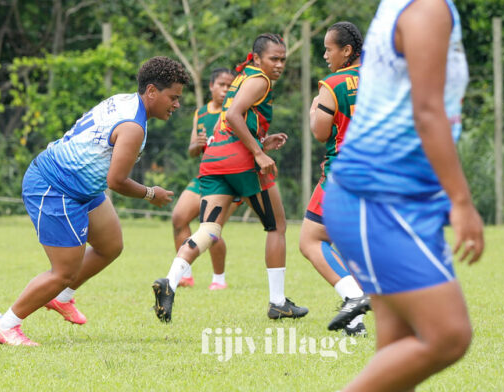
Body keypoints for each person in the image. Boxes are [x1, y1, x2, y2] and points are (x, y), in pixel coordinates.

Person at [322, 0, 483, 390]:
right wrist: (461, 202)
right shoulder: (427, 8)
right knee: (448, 335)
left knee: (398, 355)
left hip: (397, 198)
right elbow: (427, 112)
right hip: (378, 197)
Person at [0, 56, 188, 346]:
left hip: (81, 187)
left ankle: (62, 297)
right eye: (173, 97)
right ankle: (6, 326)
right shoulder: (134, 127)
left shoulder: (126, 101)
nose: (177, 104)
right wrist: (149, 193)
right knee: (64, 271)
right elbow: (116, 181)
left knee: (110, 246)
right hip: (55, 187)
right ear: (152, 92)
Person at [152, 33, 308, 323]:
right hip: (241, 162)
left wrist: (262, 142)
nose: (279, 64)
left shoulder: (242, 77)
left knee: (210, 230)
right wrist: (258, 154)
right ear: (258, 58)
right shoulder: (260, 79)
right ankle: (277, 302)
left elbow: (233, 120)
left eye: (283, 59)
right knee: (276, 227)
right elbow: (235, 115)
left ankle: (170, 283)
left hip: (214, 160)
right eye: (274, 58)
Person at [300, 21, 369, 336]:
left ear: (347, 50)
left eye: (329, 49)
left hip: (342, 174)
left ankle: (354, 298)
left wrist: (315, 109)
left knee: (311, 239)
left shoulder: (333, 84)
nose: (325, 54)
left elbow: (320, 133)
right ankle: (356, 323)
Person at [172, 68, 237, 290]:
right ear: (211, 86)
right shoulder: (200, 114)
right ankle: (185, 276)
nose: (225, 89)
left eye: (230, 86)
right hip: (204, 177)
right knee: (179, 218)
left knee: (210, 229)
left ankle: (219, 280)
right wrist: (196, 144)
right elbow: (191, 151)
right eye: (221, 84)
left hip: (228, 181)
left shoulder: (235, 111)